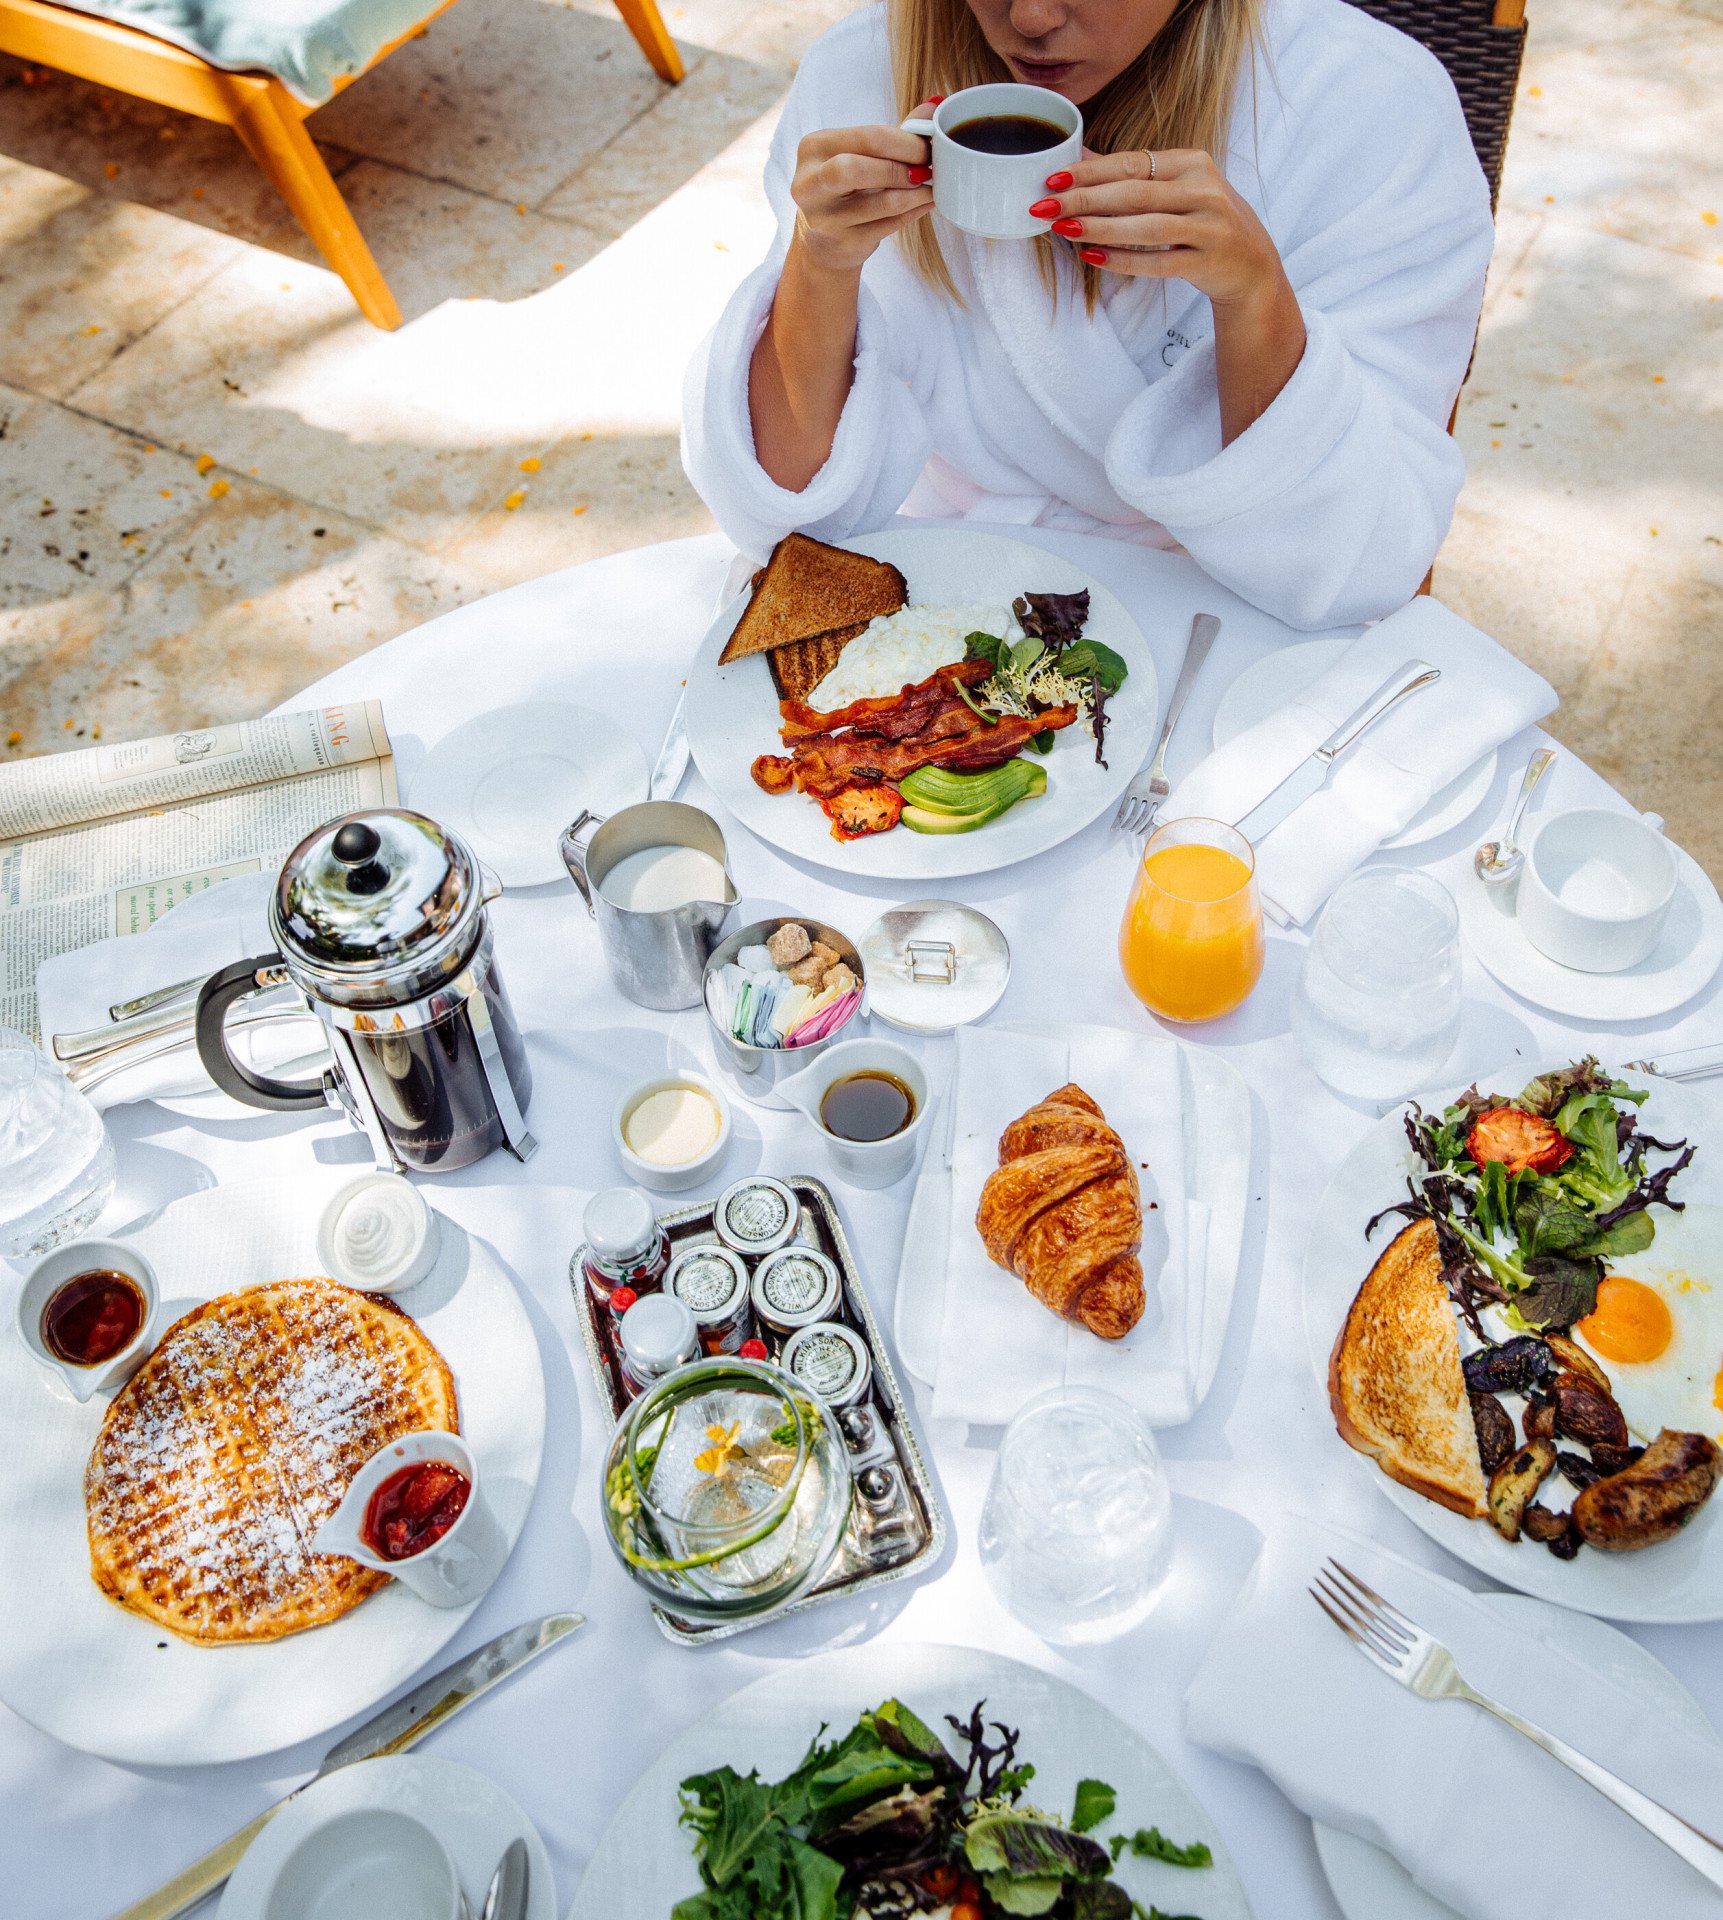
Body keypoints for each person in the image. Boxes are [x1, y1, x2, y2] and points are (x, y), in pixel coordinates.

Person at [683, 0, 1495, 630]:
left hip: (1230, 611)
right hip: (934, 593)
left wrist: (1252, 298)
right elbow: (782, 503)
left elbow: (1359, 555)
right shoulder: (863, 70)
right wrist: (821, 263)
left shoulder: (1362, 105)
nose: (1031, 16)